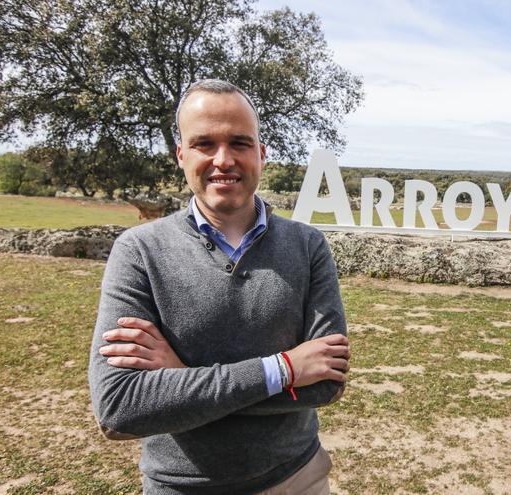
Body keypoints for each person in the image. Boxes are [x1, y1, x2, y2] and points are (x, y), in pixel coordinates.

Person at [87, 79, 350, 494]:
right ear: (181, 155)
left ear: (261, 154)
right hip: (182, 487)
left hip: (298, 478)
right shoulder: (138, 250)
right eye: (204, 143)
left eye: (240, 143)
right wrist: (284, 370)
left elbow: (325, 382)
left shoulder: (308, 245)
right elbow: (121, 407)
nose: (223, 160)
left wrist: (180, 381)